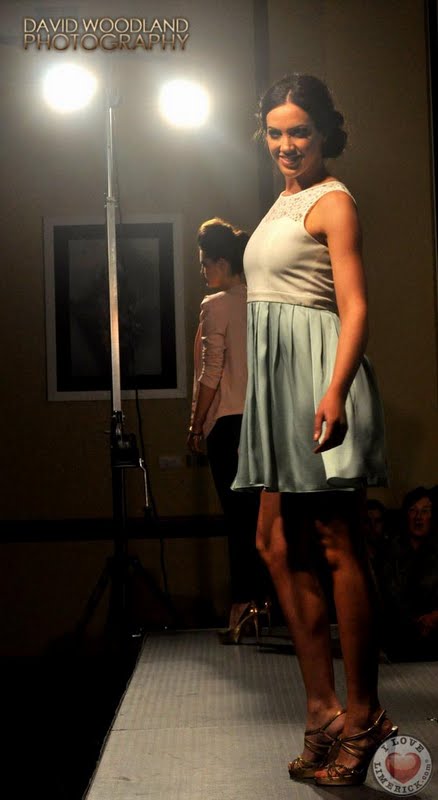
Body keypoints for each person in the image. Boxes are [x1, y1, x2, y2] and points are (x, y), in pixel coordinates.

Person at [231, 73, 397, 785]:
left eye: (299, 130)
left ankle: (364, 714)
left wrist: (334, 389)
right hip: (276, 388)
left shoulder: (333, 201)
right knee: (273, 543)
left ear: (325, 131)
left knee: (335, 543)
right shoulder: (282, 200)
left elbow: (354, 307)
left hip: (317, 382)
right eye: (275, 132)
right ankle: (321, 708)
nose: (286, 143)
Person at [187, 217, 271, 643]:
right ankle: (264, 605)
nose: (202, 271)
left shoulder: (215, 305)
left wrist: (195, 423)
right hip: (263, 424)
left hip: (229, 423)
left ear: (221, 262)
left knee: (237, 521)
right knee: (263, 520)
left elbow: (211, 372)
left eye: (205, 263)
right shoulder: (262, 300)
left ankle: (241, 608)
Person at [377, 486, 438, 660]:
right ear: (406, 515)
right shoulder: (389, 550)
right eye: (413, 510)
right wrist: (415, 622)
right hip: (399, 636)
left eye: (425, 511)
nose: (419, 517)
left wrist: (434, 617)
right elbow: (388, 594)